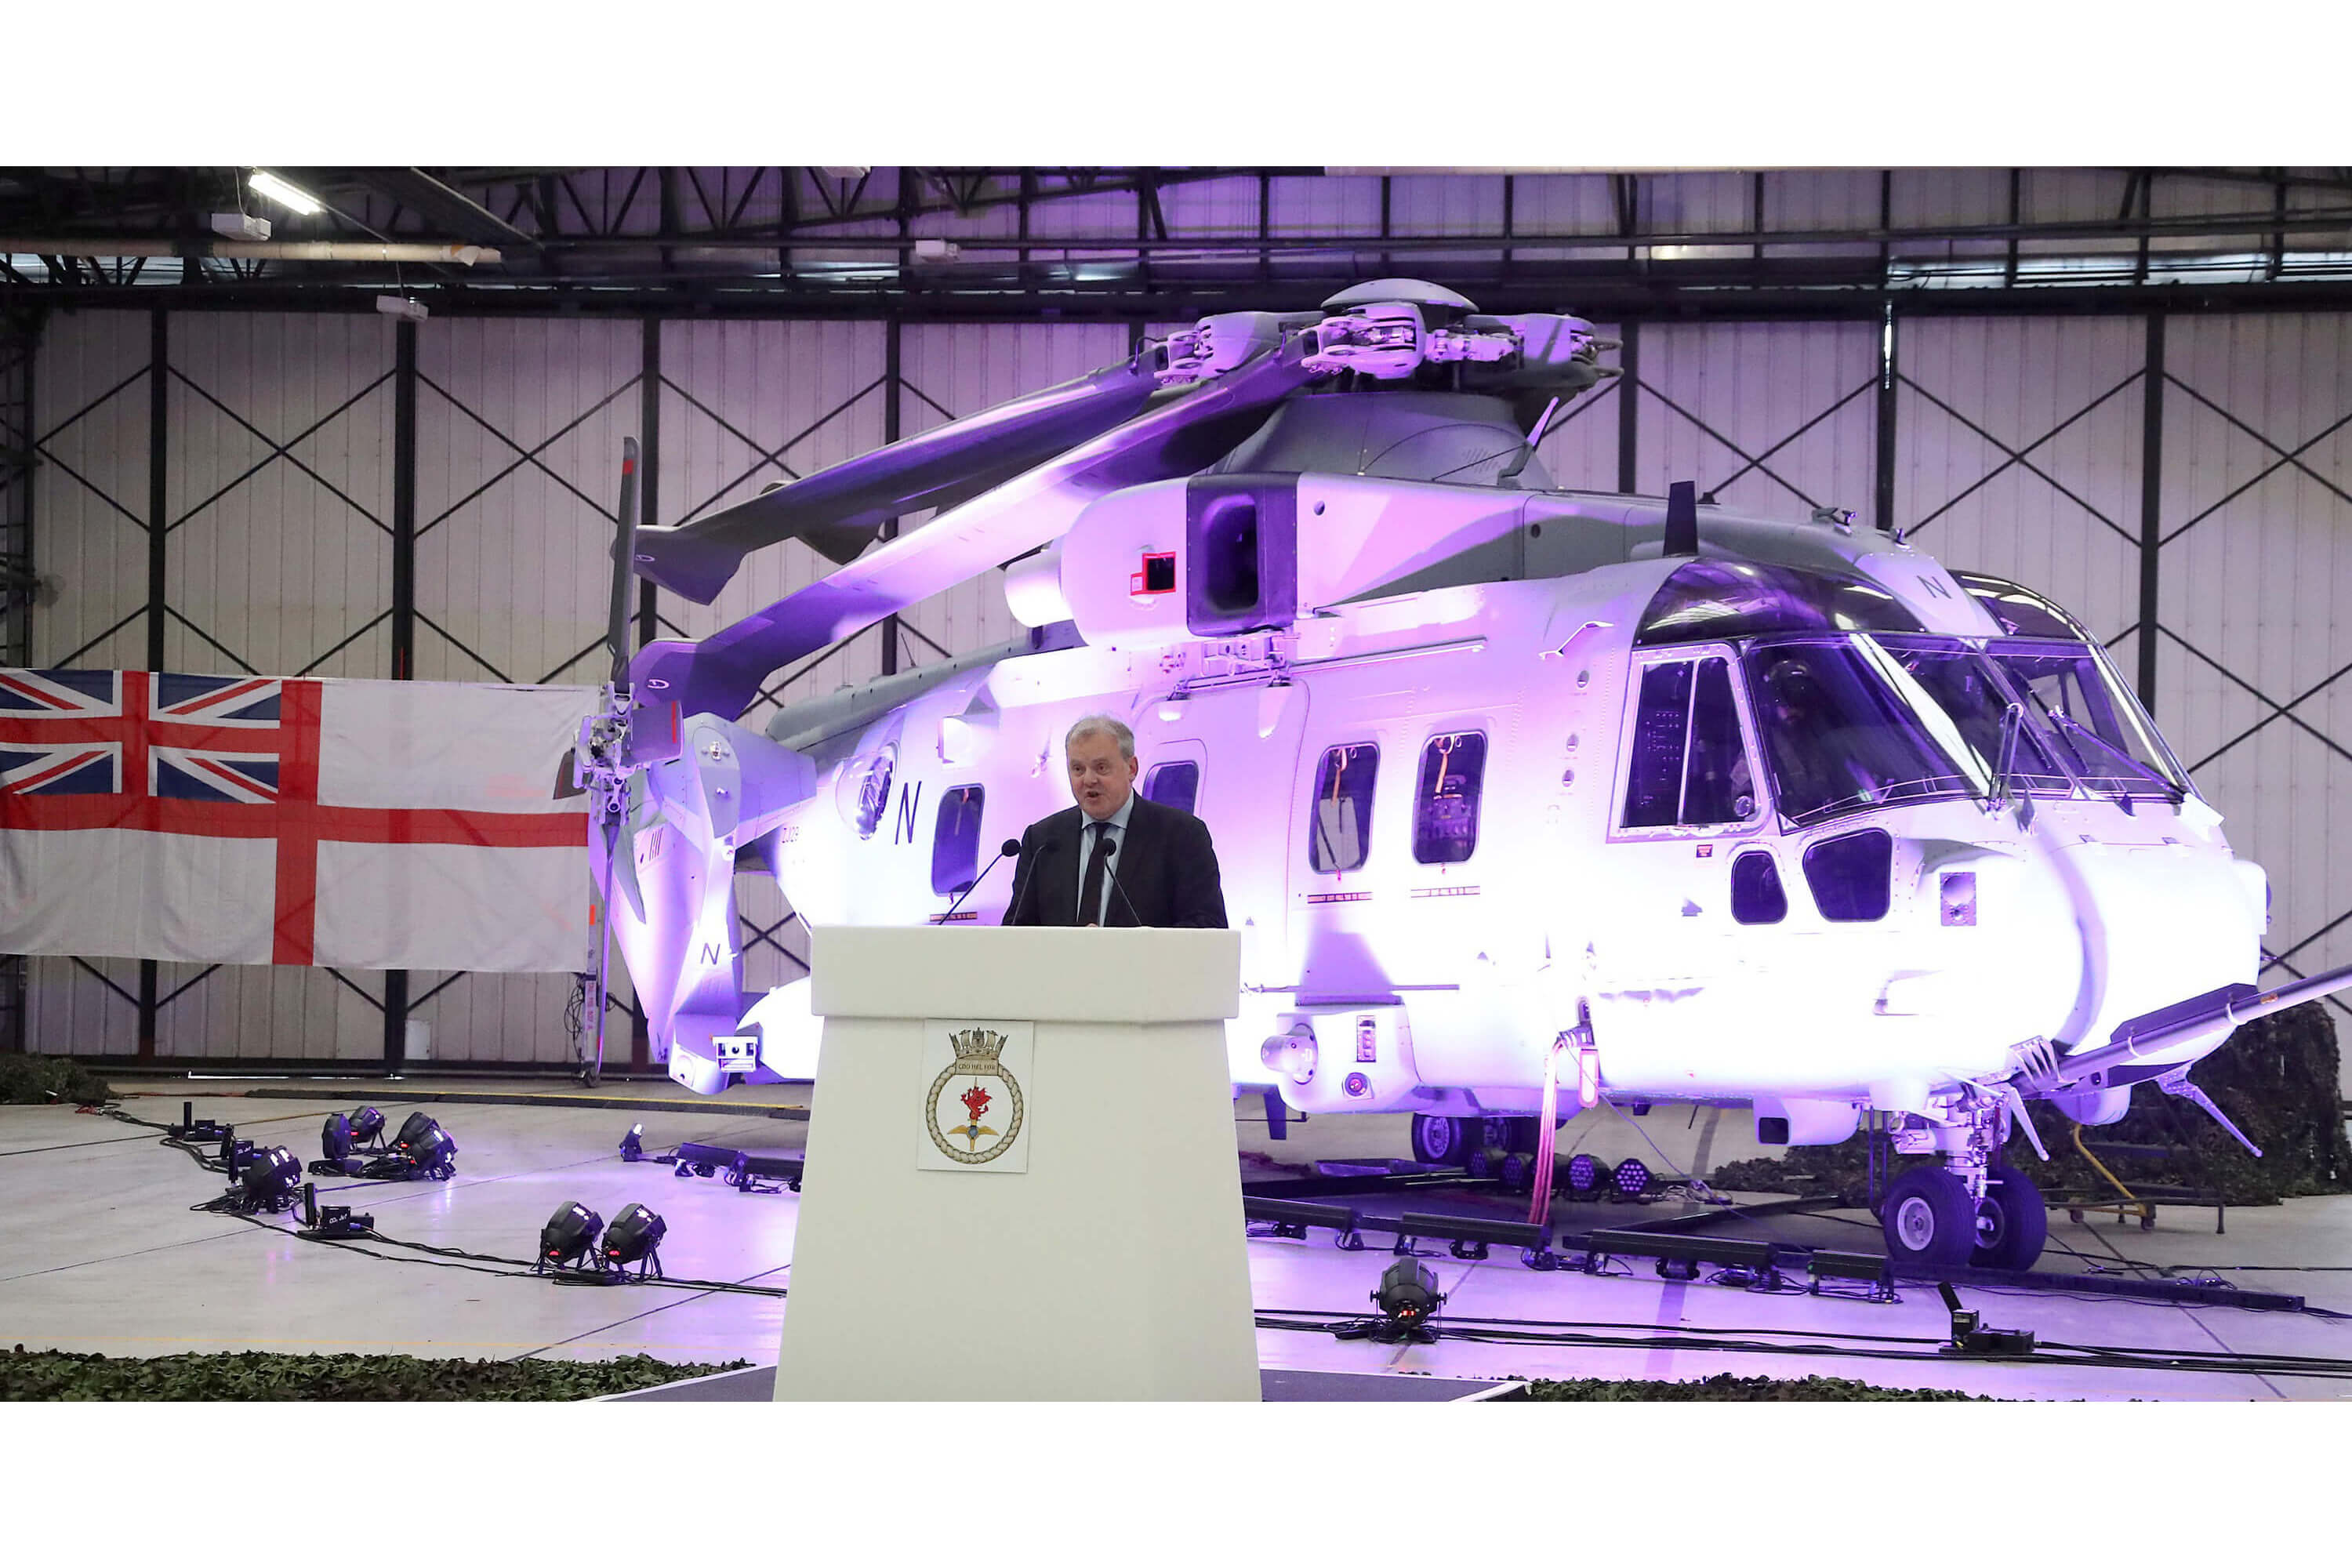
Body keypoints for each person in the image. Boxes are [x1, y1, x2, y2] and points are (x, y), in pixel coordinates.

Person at [1002, 714, 1228, 928]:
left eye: (1101, 768)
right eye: (1078, 769)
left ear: (1132, 768)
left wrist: (1127, 947)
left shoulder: (1182, 836)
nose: (1089, 780)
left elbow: (1208, 926)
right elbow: (1016, 932)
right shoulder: (1042, 840)